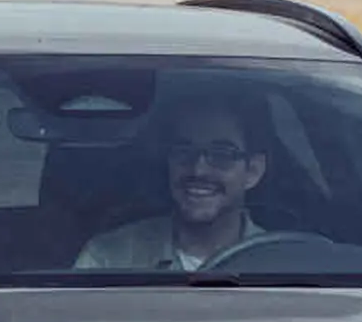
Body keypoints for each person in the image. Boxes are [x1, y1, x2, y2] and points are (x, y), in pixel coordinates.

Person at [76, 88, 280, 272]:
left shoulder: (283, 263)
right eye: (184, 151)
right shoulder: (111, 259)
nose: (198, 170)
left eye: (221, 154)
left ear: (253, 171)